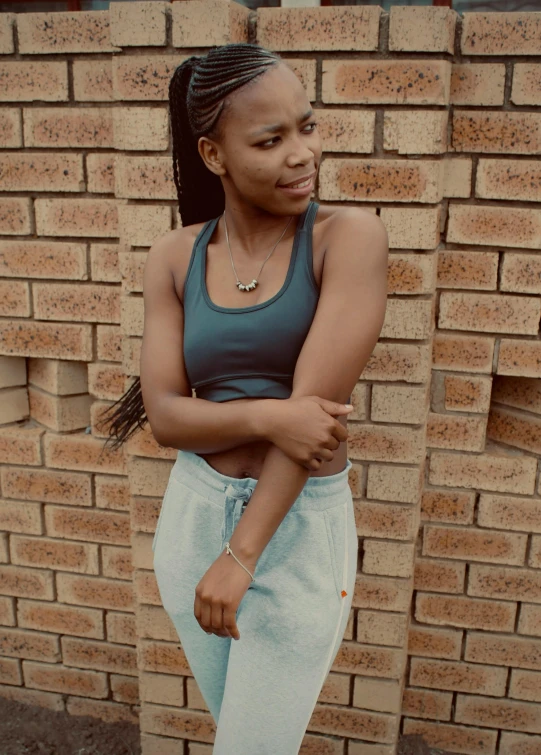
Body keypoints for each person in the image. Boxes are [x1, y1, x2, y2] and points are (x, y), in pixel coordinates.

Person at [98, 42, 388, 754]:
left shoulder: (345, 239)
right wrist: (267, 414)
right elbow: (166, 416)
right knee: (242, 736)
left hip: (289, 534)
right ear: (213, 153)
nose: (302, 154)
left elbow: (313, 428)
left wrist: (243, 553)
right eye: (270, 139)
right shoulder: (174, 255)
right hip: (193, 517)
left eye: (307, 127)